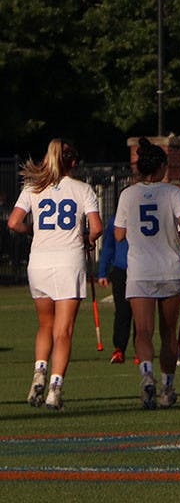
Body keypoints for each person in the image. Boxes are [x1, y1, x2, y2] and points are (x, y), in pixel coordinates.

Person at [7, 139, 103, 410]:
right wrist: (87, 238)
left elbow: (14, 222)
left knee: (45, 326)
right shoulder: (83, 189)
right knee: (64, 331)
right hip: (68, 262)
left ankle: (39, 373)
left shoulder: (32, 187)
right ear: (72, 162)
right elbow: (96, 227)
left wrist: (34, 231)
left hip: (39, 263)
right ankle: (54, 390)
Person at [115, 137, 180, 408]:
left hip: (139, 271)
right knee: (168, 332)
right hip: (169, 269)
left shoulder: (128, 194)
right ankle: (167, 388)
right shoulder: (172, 192)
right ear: (161, 166)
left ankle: (147, 374)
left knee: (143, 331)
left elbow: (118, 234)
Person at [96, 215, 132, 364]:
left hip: (143, 268)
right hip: (121, 269)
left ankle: (142, 349)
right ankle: (119, 349)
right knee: (122, 311)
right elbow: (108, 246)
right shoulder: (115, 220)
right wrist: (102, 272)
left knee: (143, 312)